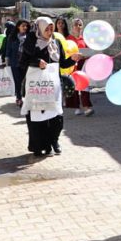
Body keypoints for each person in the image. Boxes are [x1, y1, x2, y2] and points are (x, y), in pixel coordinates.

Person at [20, 17, 81, 156]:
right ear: (39, 29)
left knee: (56, 118)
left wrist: (72, 60)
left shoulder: (56, 42)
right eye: (46, 29)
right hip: (37, 88)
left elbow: (62, 63)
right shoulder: (31, 42)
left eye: (51, 28)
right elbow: (23, 62)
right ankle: (38, 146)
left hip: (53, 87)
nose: (49, 31)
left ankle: (53, 141)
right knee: (37, 118)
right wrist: (37, 62)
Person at [65, 18, 94, 116]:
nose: (78, 27)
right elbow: (65, 53)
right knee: (74, 87)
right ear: (72, 27)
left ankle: (86, 107)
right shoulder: (68, 39)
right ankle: (76, 107)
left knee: (85, 86)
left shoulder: (85, 39)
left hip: (83, 65)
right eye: (76, 25)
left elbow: (90, 52)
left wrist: (84, 56)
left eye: (80, 25)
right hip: (72, 66)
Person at [2, 20, 29, 107]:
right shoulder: (12, 37)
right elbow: (8, 49)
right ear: (18, 26)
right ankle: (19, 98)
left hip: (26, 63)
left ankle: (27, 97)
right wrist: (7, 60)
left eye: (26, 26)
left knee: (26, 81)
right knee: (18, 81)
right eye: (23, 26)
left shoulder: (29, 37)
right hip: (15, 62)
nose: (25, 28)